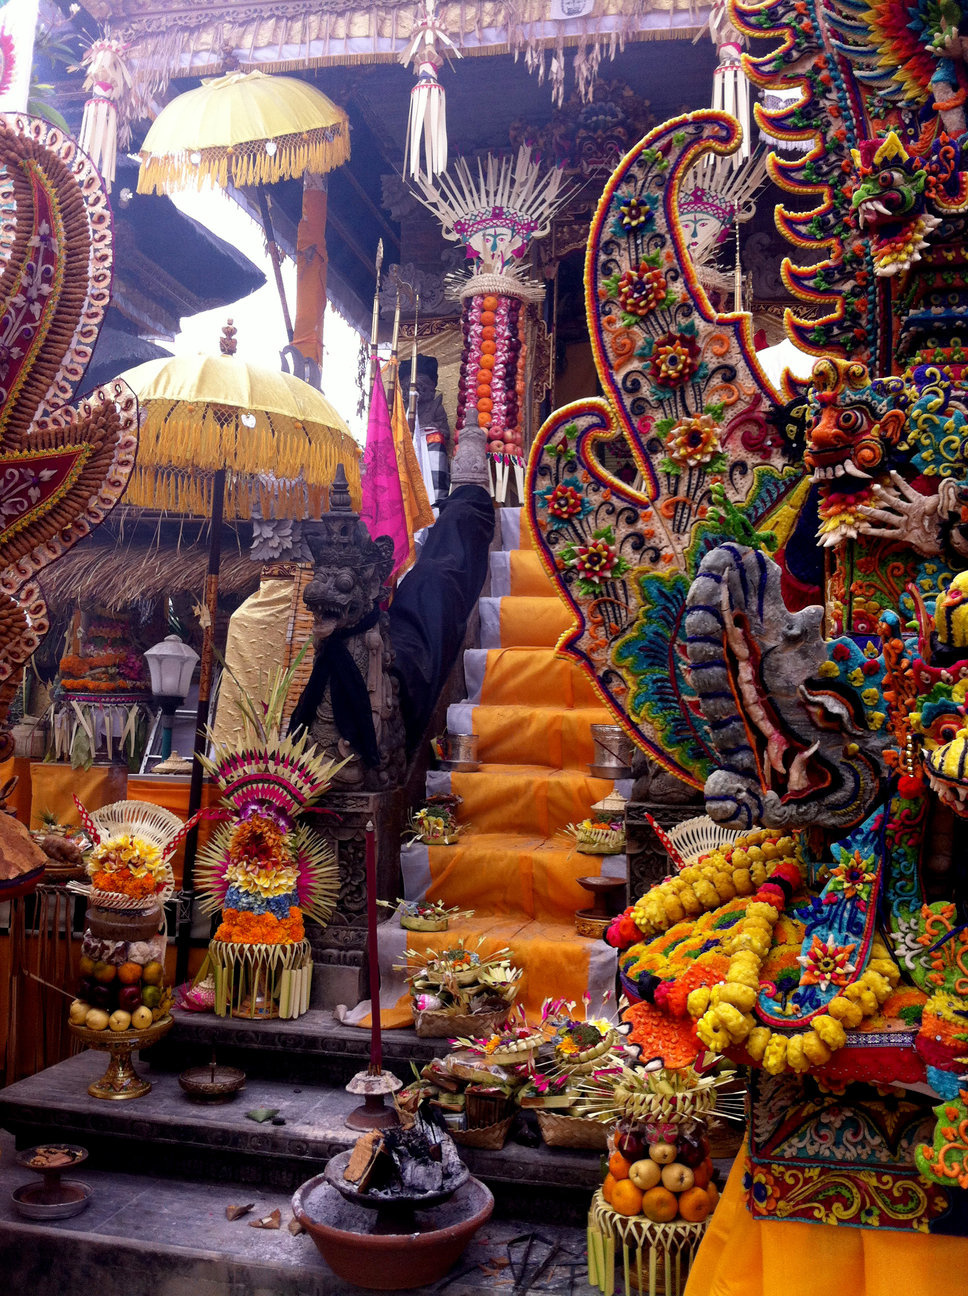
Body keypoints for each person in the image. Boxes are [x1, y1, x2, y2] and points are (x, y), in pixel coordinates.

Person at [402, 354, 451, 503]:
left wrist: (429, 433)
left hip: (430, 452)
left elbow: (445, 433)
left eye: (421, 385)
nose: (417, 390)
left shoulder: (435, 407)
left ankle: (435, 499)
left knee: (435, 443)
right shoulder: (401, 409)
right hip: (407, 451)